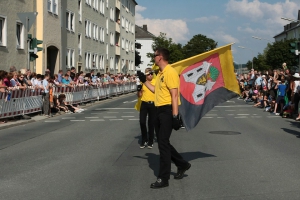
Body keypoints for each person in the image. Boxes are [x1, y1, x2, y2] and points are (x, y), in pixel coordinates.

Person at [139, 48, 190, 189]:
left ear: (160, 57)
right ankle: (182, 164)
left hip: (167, 111)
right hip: (158, 110)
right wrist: (144, 81)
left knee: (162, 143)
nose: (153, 58)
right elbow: (156, 91)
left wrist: (175, 116)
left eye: (155, 55)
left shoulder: (170, 72)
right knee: (164, 142)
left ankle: (163, 178)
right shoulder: (161, 73)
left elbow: (174, 95)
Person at [137, 68, 156, 149]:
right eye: (148, 74)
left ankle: (150, 141)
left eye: (151, 74)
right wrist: (139, 91)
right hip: (144, 104)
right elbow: (139, 95)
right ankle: (144, 139)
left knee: (151, 123)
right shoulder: (142, 82)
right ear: (145, 75)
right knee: (142, 122)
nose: (150, 75)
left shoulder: (155, 81)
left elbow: (155, 91)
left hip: (153, 104)